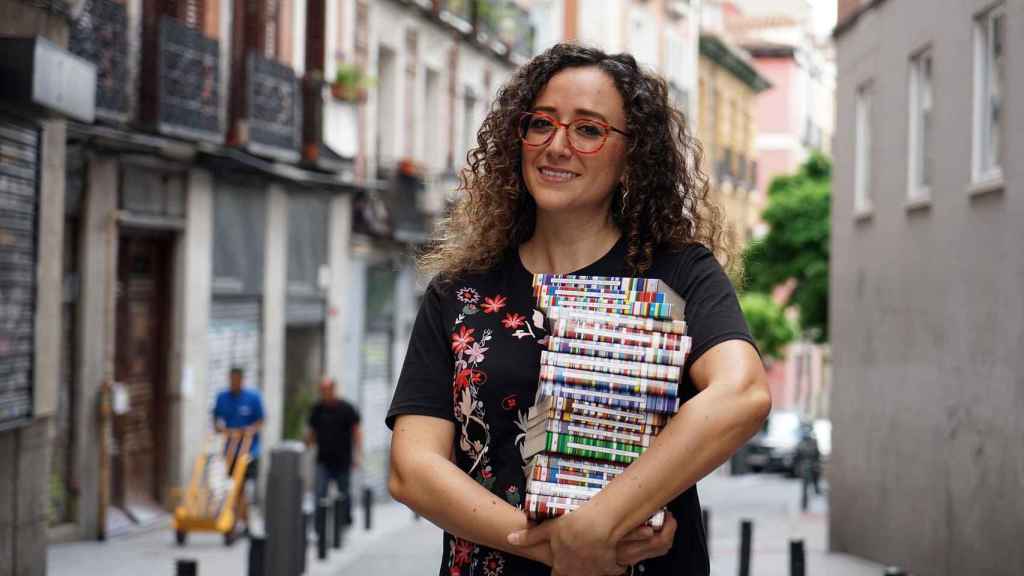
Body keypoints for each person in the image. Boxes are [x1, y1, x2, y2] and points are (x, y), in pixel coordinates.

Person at [385, 43, 771, 576]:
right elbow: (413, 468)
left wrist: (599, 522)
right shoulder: (460, 294)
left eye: (588, 130)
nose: (556, 146)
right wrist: (553, 545)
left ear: (632, 155)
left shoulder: (679, 274)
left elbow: (742, 393)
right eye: (540, 124)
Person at [212, 366, 264, 529]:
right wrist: (220, 428)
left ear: (242, 380)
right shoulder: (222, 397)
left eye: (237, 380)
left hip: (250, 450)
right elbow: (216, 418)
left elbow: (260, 420)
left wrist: (250, 430)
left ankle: (245, 520)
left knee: (246, 486)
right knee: (234, 486)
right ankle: (238, 519)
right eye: (231, 380)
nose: (234, 383)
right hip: (230, 450)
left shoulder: (253, 398)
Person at [306, 377, 362, 527]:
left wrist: (357, 455)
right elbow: (312, 432)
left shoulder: (347, 409)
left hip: (343, 460)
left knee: (344, 494)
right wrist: (307, 446)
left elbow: (357, 433)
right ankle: (319, 525)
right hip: (323, 460)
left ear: (334, 389)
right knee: (319, 493)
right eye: (322, 390)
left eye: (327, 389)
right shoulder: (317, 409)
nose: (325, 393)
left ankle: (345, 522)